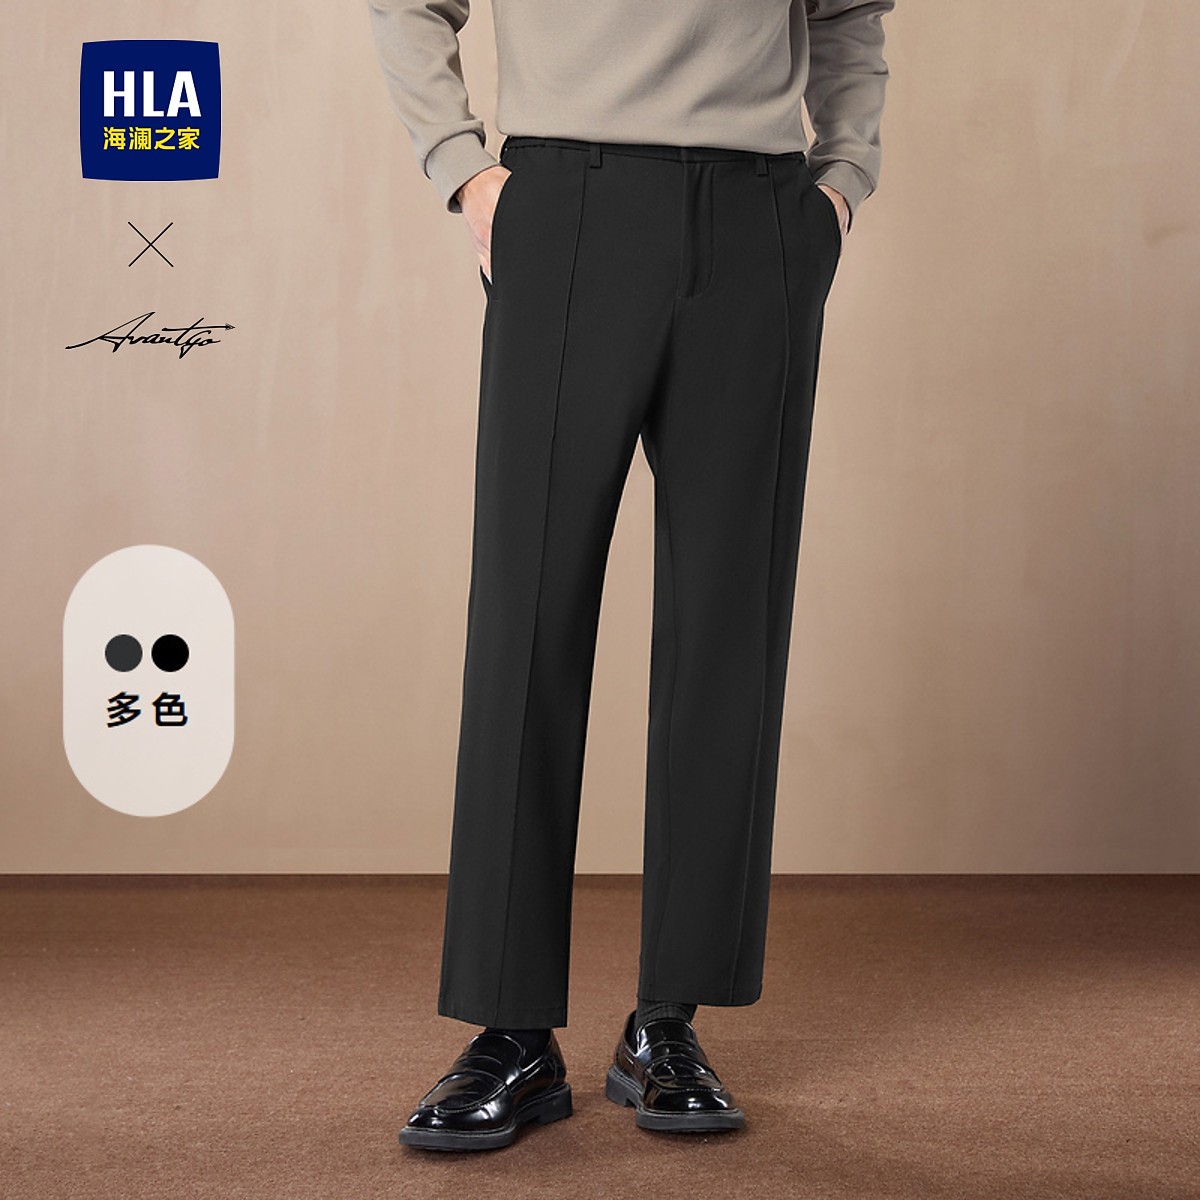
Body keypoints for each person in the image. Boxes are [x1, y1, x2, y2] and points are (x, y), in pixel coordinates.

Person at [366, 0, 894, 1151]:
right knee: (528, 616)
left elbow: (850, 15)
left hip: (760, 216)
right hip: (569, 201)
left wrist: (839, 187)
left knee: (728, 629)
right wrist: (467, 172)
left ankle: (670, 1020)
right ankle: (511, 1032)